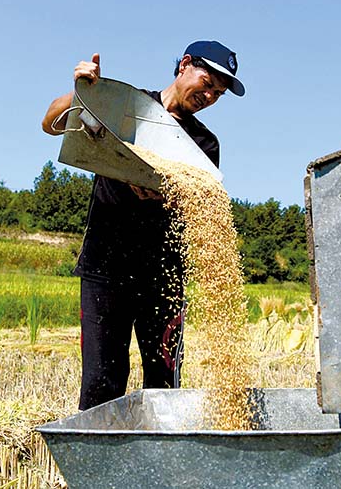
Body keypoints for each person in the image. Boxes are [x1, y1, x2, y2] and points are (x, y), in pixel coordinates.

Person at [41, 41, 245, 410]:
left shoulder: (203, 143)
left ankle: (160, 464)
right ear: (185, 65)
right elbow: (50, 124)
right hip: (106, 267)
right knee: (102, 380)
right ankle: (100, 463)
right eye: (208, 81)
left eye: (218, 92)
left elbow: (198, 200)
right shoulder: (126, 107)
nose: (210, 94)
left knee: (164, 380)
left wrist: (163, 190)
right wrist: (84, 92)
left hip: (164, 278)